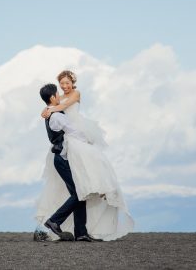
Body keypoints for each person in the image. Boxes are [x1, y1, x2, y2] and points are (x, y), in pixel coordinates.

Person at [35, 71, 134, 241]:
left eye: (67, 83)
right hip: (67, 151)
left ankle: (80, 233)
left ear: (72, 82)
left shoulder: (65, 103)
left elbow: (63, 107)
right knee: (80, 192)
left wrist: (48, 108)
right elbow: (72, 130)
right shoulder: (57, 115)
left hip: (67, 150)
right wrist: (87, 142)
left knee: (81, 192)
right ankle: (54, 221)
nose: (63, 88)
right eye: (60, 87)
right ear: (53, 96)